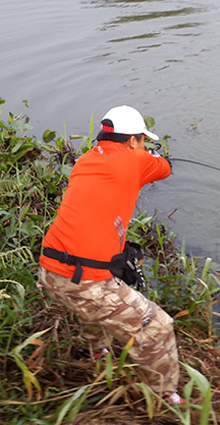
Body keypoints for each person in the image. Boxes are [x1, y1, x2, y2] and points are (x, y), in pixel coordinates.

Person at [37, 105, 184, 406]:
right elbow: (165, 168)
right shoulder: (136, 159)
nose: (142, 146)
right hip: (85, 283)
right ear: (133, 141)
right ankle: (165, 398)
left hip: (50, 270)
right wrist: (160, 157)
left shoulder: (85, 160)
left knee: (98, 300)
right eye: (142, 140)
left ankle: (94, 352)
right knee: (158, 327)